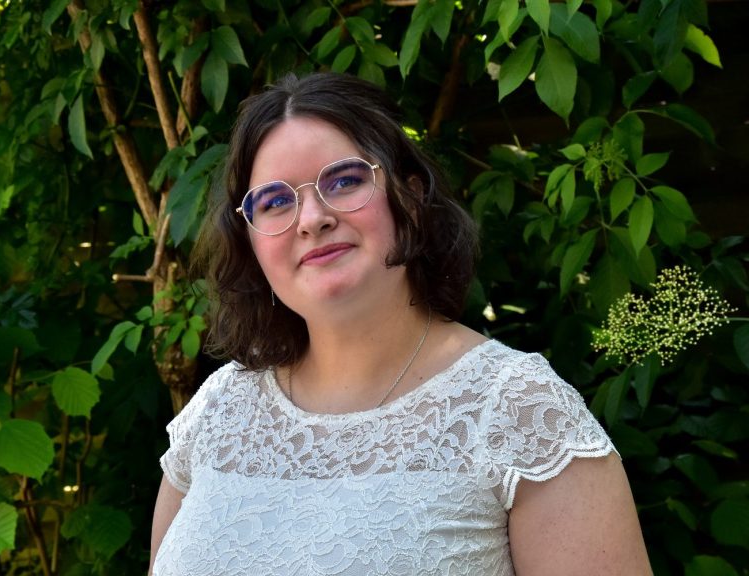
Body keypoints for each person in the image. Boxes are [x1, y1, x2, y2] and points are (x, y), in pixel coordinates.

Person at [148, 72, 652, 576]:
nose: (311, 218)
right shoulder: (220, 411)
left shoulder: (519, 411)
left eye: (344, 180)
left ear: (409, 197)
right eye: (275, 201)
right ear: (251, 241)